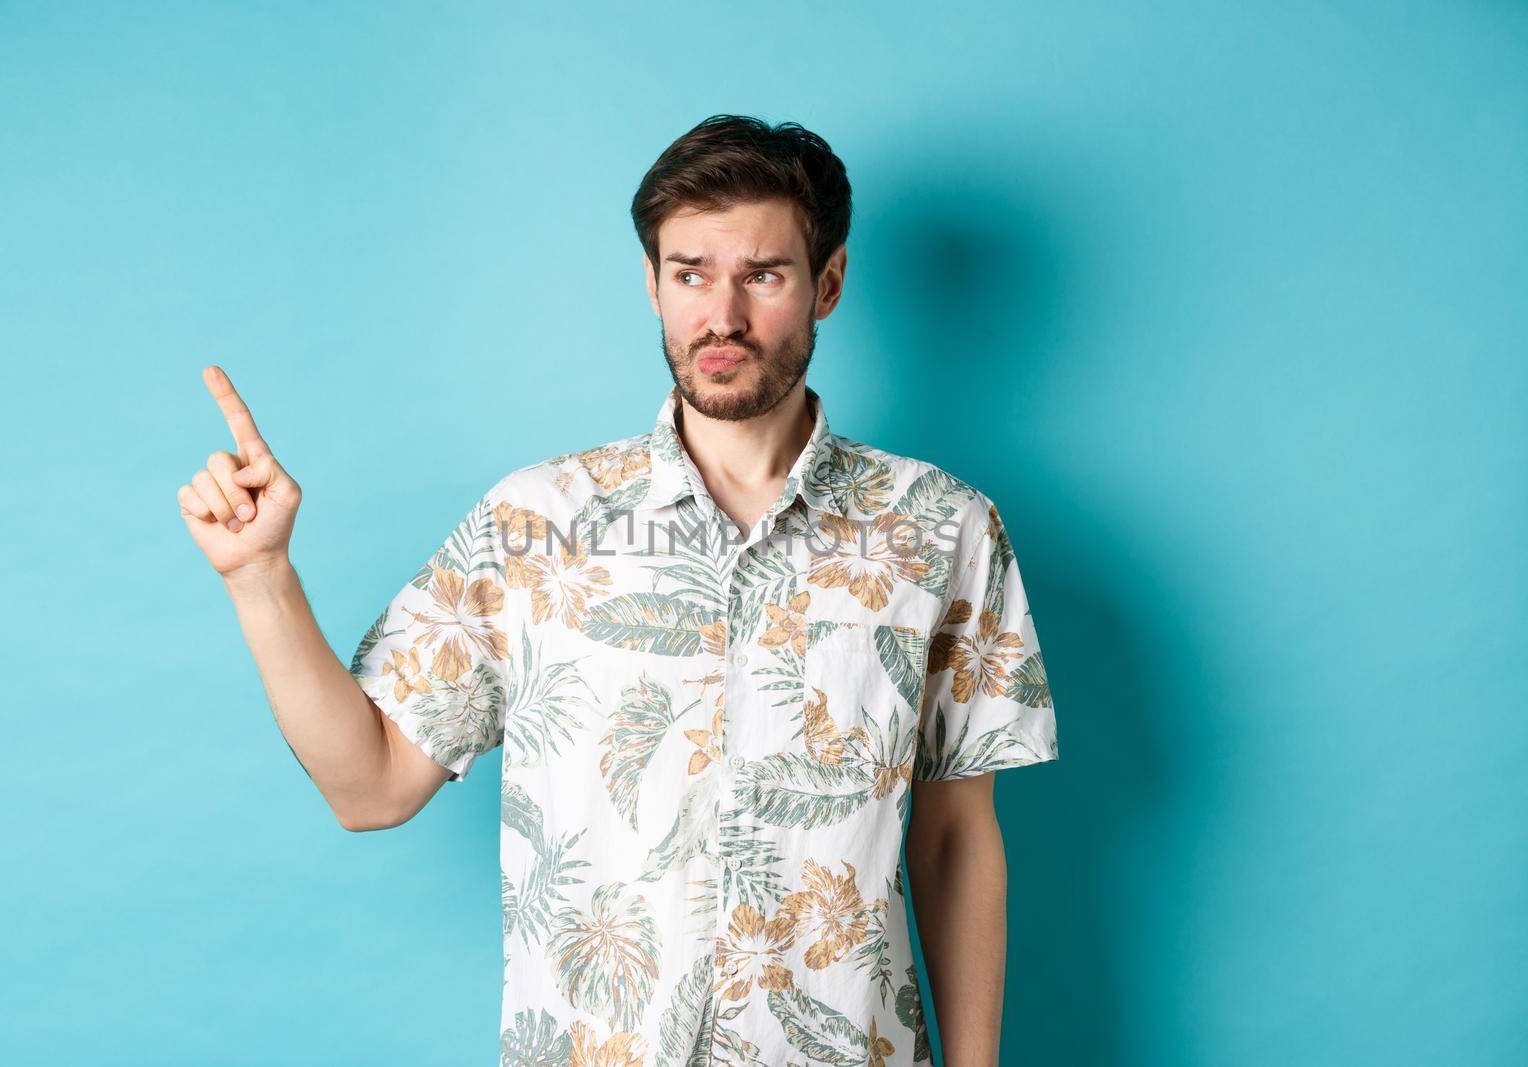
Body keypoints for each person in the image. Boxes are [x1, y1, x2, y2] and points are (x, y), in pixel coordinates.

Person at [178, 114, 1059, 1066]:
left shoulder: (942, 528)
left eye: (762, 275)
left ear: (828, 284)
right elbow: (370, 787)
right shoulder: (536, 524)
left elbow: (956, 841)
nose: (722, 316)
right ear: (652, 285)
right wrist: (261, 577)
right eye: (690, 274)